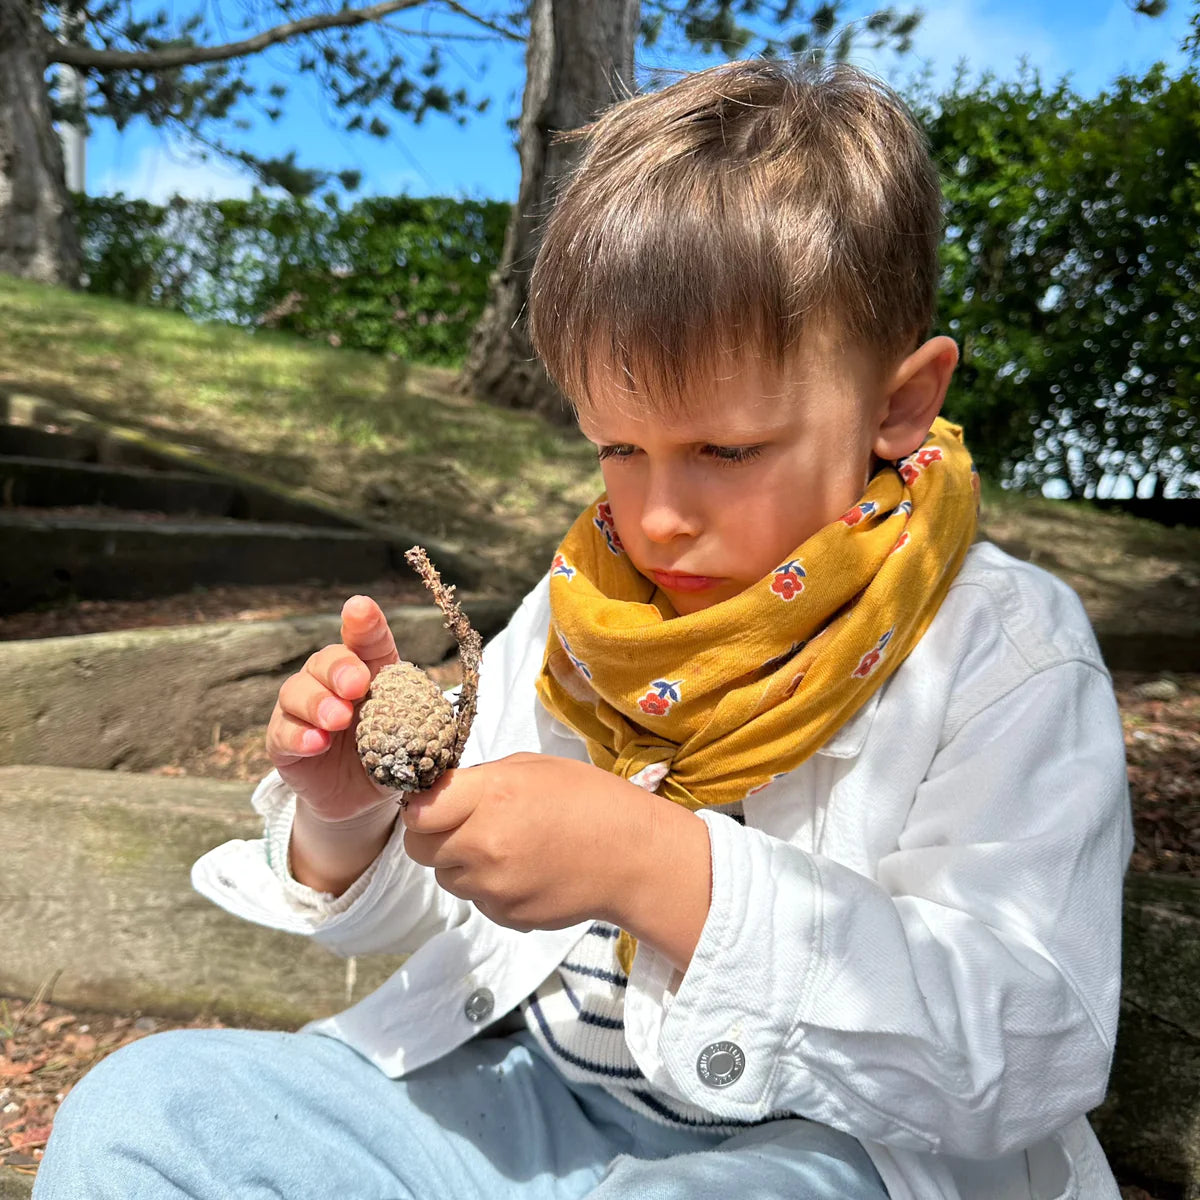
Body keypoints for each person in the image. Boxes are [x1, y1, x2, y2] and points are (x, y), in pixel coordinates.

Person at [35, 58, 1131, 1200]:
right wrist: (350, 820)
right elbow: (441, 895)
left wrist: (651, 863)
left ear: (898, 405)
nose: (655, 515)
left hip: (814, 1155)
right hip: (512, 1102)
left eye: (725, 451)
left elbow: (1029, 1039)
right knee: (144, 1111)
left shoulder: (1000, 649)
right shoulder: (583, 612)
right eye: (617, 446)